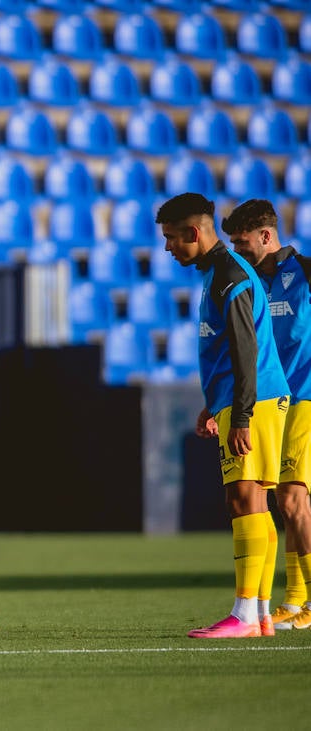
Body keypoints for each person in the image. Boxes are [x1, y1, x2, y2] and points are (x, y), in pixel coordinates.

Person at [157, 192, 289, 638]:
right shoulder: (220, 274)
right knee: (256, 504)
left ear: (194, 233)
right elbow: (230, 352)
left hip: (255, 401)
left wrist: (242, 416)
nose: (168, 248)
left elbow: (245, 349)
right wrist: (215, 405)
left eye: (173, 238)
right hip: (251, 399)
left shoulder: (227, 276)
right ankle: (263, 612)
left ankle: (244, 614)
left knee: (244, 501)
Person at [224, 198, 311, 631]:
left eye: (243, 243)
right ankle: (296, 601)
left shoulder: (307, 273)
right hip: (273, 403)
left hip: (306, 399)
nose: (238, 251)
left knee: (293, 499)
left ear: (266, 235)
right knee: (283, 501)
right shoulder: (249, 283)